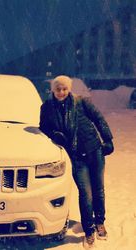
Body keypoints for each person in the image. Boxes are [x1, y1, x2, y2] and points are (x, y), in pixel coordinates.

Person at [39, 75, 114, 249]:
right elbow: (43, 128)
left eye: (64, 88)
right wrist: (54, 135)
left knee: (98, 190)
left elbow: (98, 119)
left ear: (69, 89)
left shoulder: (81, 102)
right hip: (76, 156)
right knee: (85, 194)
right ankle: (88, 230)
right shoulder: (48, 108)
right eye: (58, 89)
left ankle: (100, 222)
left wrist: (108, 139)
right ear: (53, 90)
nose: (61, 92)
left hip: (95, 150)